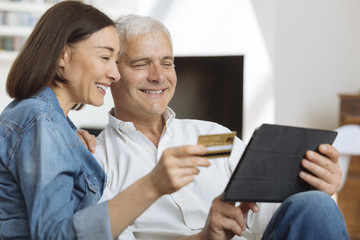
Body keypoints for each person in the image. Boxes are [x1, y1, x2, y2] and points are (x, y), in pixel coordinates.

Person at [93, 14, 349, 240]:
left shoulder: (212, 137)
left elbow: (268, 213)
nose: (159, 76)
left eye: (167, 63)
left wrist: (309, 188)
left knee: (316, 204)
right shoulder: (96, 160)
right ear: (112, 72)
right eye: (141, 63)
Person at [0, 2, 211, 239]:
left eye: (115, 60)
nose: (115, 73)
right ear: (63, 55)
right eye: (105, 57)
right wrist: (152, 185)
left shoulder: (56, 127)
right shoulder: (40, 122)